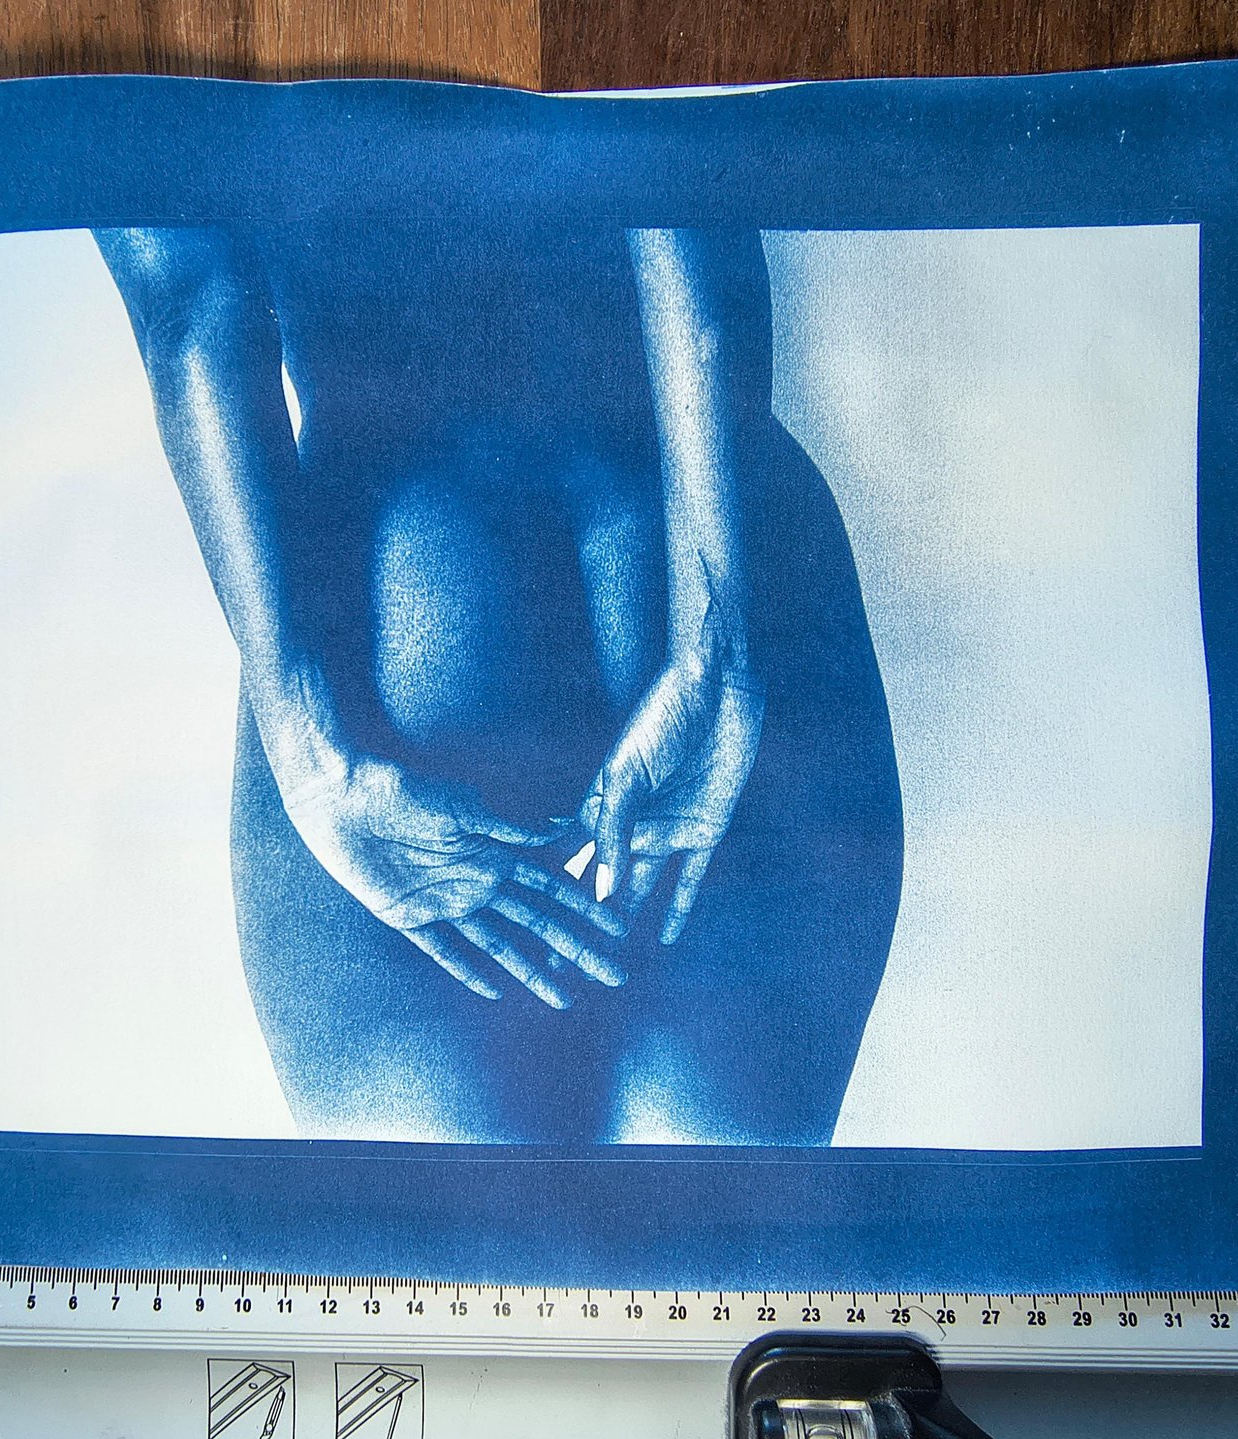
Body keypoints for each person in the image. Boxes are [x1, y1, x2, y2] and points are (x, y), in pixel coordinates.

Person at [96, 221, 901, 1146]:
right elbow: (680, 196)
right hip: (708, 548)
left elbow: (190, 306)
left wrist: (311, 744)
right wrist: (713, 651)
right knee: (709, 1222)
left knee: (443, 1233)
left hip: (390, 631)